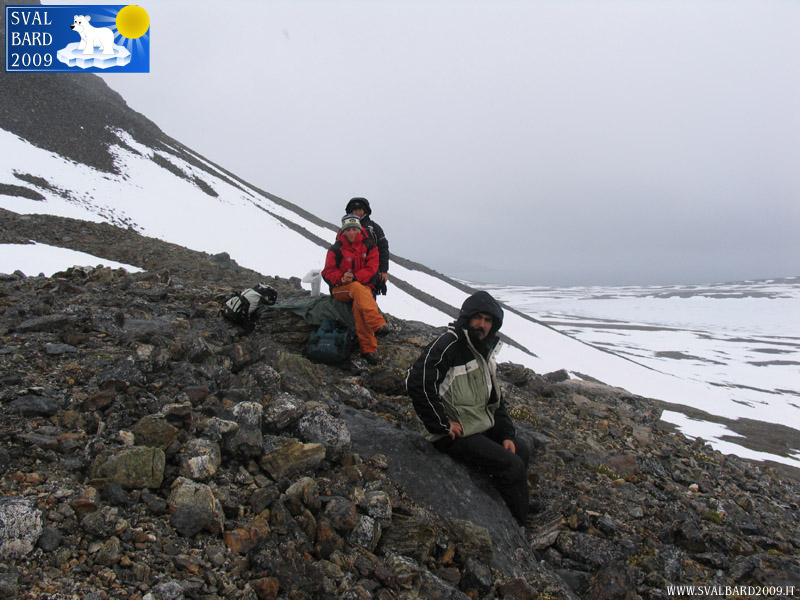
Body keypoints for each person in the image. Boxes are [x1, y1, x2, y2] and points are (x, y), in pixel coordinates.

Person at [406, 291, 531, 525]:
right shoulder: (449, 345)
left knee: (520, 450)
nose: (481, 324)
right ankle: (517, 527)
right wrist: (441, 424)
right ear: (467, 317)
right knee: (512, 465)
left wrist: (505, 434)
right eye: (478, 318)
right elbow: (418, 382)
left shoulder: (483, 351)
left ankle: (509, 500)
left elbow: (494, 399)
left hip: (476, 424)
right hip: (453, 432)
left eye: (488, 320)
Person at [322, 214, 391, 364]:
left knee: (359, 302)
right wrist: (341, 277)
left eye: (354, 229)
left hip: (361, 287)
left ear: (359, 229)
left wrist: (355, 277)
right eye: (348, 230)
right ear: (343, 231)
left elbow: (372, 269)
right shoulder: (336, 249)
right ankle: (378, 324)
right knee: (357, 289)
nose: (352, 233)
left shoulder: (370, 246)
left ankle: (368, 350)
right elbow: (327, 272)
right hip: (340, 289)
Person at [344, 197, 389, 295]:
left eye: (360, 210)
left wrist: (383, 270)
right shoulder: (344, 229)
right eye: (355, 210)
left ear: (365, 211)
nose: (357, 213)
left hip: (371, 273)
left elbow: (383, 249)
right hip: (349, 272)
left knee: (368, 297)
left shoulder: (374, 228)